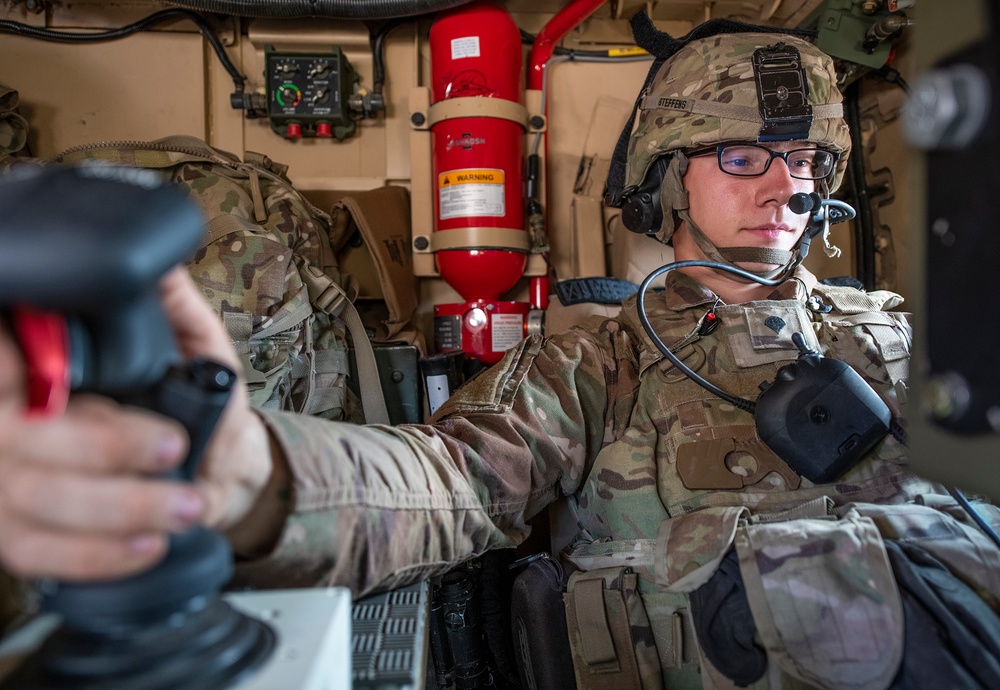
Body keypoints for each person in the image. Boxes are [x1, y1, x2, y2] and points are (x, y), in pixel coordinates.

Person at [2, 21, 999, 689]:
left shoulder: (913, 334)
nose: (784, 184)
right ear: (665, 174)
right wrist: (249, 470)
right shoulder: (599, 354)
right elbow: (447, 481)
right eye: (743, 155)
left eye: (805, 160)